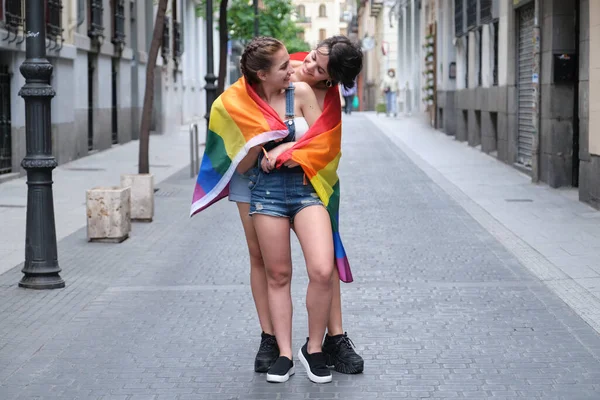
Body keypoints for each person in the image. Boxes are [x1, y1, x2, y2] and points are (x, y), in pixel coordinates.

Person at [228, 36, 364, 377]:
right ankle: (272, 340)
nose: (306, 68)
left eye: (319, 70)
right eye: (313, 58)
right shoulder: (276, 68)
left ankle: (332, 337)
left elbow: (327, 142)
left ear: (330, 80)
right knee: (262, 258)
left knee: (324, 260)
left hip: (309, 179)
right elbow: (233, 130)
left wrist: (288, 153)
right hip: (256, 181)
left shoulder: (318, 93)